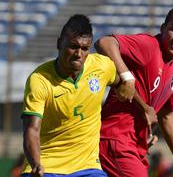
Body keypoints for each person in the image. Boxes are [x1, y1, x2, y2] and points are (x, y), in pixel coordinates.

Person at [94, 5, 173, 177]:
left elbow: (168, 115)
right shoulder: (149, 45)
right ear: (163, 29)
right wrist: (127, 77)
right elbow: (104, 42)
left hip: (137, 147)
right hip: (115, 140)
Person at [20, 14, 122, 177]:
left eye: (85, 48)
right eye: (73, 46)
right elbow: (32, 129)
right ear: (59, 43)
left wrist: (145, 109)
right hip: (47, 166)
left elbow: (122, 85)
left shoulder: (102, 67)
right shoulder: (39, 80)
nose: (78, 54)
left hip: (87, 167)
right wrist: (36, 164)